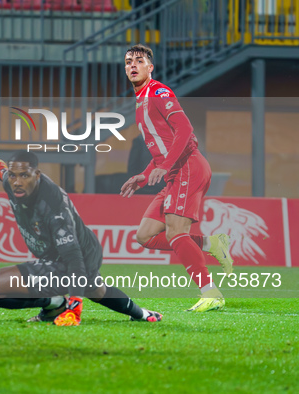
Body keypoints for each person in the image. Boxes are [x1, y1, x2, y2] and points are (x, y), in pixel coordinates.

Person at [0, 150, 162, 326]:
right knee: (96, 290)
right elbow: (2, 173)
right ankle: (143, 314)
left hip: (77, 257)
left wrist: (75, 307)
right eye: (12, 175)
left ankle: (56, 303)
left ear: (37, 175)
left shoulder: (53, 204)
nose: (17, 181)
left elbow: (74, 258)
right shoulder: (11, 182)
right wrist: (0, 166)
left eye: (24, 175)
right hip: (70, 254)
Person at [120, 44, 234, 312]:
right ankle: (211, 243)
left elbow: (185, 129)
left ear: (151, 67)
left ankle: (211, 293)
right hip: (175, 172)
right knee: (145, 235)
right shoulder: (141, 101)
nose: (132, 65)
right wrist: (145, 175)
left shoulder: (159, 91)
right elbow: (161, 147)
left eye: (139, 61)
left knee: (176, 233)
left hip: (187, 167)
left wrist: (168, 165)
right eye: (128, 62)